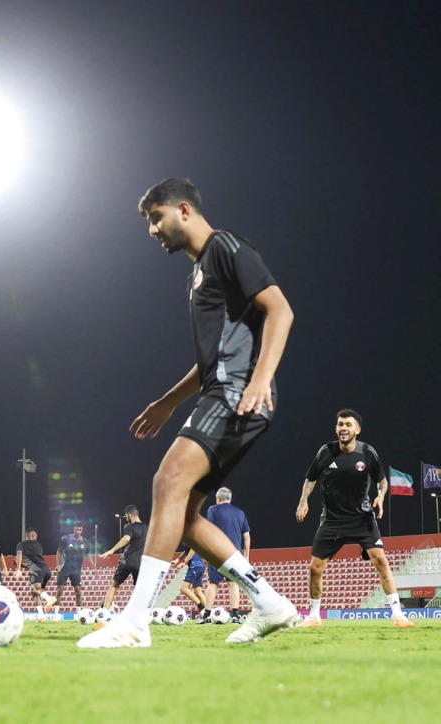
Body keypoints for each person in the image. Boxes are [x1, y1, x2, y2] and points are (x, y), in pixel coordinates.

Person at [79, 178, 297, 649]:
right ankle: (270, 604)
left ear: (183, 210)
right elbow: (208, 361)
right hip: (221, 389)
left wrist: (261, 378)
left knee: (168, 481)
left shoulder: (226, 247)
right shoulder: (196, 276)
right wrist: (167, 402)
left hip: (239, 391)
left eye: (156, 218)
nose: (152, 230)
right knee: (187, 517)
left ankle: (135, 622)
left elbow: (280, 310)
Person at [295, 409, 413, 628]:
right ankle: (314, 616)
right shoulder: (325, 452)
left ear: (357, 430)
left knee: (381, 561)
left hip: (362, 518)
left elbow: (382, 480)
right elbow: (310, 479)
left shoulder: (367, 452)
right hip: (332, 520)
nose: (343, 428)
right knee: (315, 568)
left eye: (348, 425)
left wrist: (380, 496)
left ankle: (399, 616)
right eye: (340, 424)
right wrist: (303, 501)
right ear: (336, 428)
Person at [204, 487, 251, 622]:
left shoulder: (213, 510)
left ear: (218, 499)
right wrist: (247, 556)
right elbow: (247, 536)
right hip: (234, 554)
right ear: (230, 499)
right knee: (233, 583)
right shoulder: (240, 513)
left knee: (213, 583)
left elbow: (208, 531)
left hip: (217, 552)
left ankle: (207, 616)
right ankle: (235, 615)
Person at [99, 506, 148, 609]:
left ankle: (105, 611)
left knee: (114, 586)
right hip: (140, 563)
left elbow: (126, 539)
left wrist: (112, 550)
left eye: (126, 516)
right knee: (139, 590)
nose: (126, 518)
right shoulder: (147, 528)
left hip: (127, 561)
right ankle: (140, 612)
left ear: (129, 515)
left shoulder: (129, 526)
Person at [15, 528, 57, 616]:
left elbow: (19, 554)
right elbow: (34, 561)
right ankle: (41, 616)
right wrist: (22, 565)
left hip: (36, 570)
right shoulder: (38, 545)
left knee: (35, 589)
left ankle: (49, 598)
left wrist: (18, 569)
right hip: (46, 570)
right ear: (33, 536)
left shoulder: (21, 544)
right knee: (35, 592)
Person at [53, 521, 89, 610]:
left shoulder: (85, 542)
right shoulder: (66, 538)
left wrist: (94, 567)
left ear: (82, 530)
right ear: (73, 529)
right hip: (64, 568)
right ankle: (56, 614)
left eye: (80, 530)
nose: (78, 531)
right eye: (77, 529)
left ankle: (79, 614)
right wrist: (58, 565)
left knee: (78, 592)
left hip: (76, 571)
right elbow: (59, 551)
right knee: (59, 591)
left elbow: (87, 555)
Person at [172, 545, 209, 622]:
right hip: (200, 565)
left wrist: (184, 562)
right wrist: (178, 559)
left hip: (194, 565)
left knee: (184, 589)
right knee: (198, 592)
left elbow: (193, 548)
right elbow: (187, 551)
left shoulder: (188, 538)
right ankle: (209, 615)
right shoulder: (186, 539)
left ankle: (202, 609)